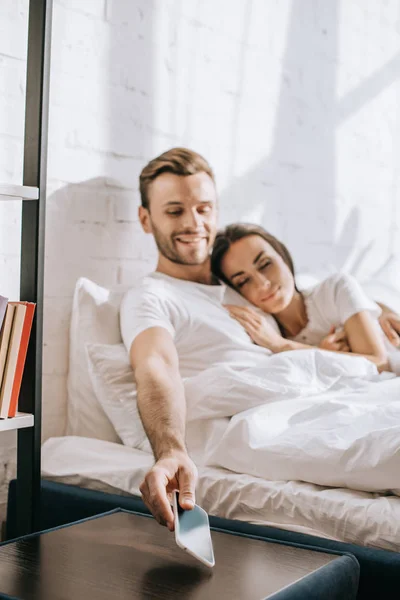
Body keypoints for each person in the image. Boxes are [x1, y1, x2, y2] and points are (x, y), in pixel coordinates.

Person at [120, 147, 400, 529]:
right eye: (174, 211)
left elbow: (306, 296)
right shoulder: (151, 296)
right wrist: (170, 451)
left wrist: (375, 308)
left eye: (204, 208)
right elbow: (156, 366)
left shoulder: (235, 281)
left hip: (329, 395)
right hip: (270, 415)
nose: (193, 222)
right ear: (145, 219)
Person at [210, 223, 400, 372]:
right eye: (243, 281)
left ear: (283, 256)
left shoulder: (334, 290)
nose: (263, 284)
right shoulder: (259, 336)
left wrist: (283, 346)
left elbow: (379, 363)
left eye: (265, 264)